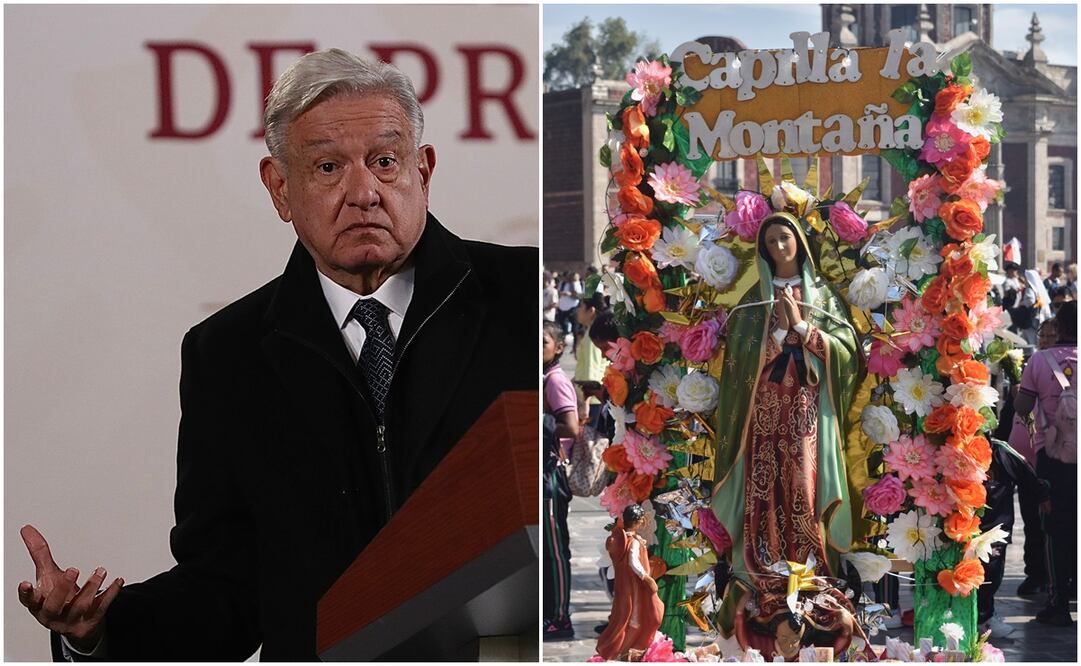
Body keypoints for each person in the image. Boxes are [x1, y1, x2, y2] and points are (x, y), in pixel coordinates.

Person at [16, 49, 536, 661]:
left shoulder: (522, 297)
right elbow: (226, 593)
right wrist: (98, 633)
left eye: (385, 162)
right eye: (327, 167)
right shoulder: (226, 355)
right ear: (279, 187)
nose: (364, 192)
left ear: (423, 170)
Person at [710, 212, 863, 658]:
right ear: (762, 247)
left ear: (800, 242)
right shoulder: (752, 301)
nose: (779, 247)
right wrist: (776, 332)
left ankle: (810, 571)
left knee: (803, 486)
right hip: (763, 415)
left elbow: (848, 353)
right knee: (764, 488)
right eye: (772, 240)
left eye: (786, 238)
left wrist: (803, 329)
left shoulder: (824, 297)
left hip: (805, 414)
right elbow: (738, 361)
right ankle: (765, 570)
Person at [1015, 300, 1077, 627]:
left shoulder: (1040, 360)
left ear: (1061, 327)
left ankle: (1058, 604)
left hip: (1052, 460)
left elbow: (1022, 405)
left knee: (1055, 529)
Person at [977, 438, 1050, 638]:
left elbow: (1025, 473)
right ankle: (976, 618)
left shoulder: (1000, 451)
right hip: (960, 525)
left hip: (994, 527)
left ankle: (984, 618)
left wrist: (1042, 495)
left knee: (991, 573)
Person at [543, 321, 579, 641]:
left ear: (558, 348)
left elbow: (571, 426)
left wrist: (539, 419)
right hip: (539, 472)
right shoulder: (542, 378)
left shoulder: (554, 380)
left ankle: (559, 618)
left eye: (543, 343)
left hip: (550, 477)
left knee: (555, 549)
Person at [595, 504, 664, 660]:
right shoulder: (632, 541)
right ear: (638, 521)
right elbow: (634, 562)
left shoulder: (623, 538)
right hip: (635, 587)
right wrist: (646, 578)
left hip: (626, 586)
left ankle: (625, 649)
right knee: (638, 616)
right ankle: (626, 650)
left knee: (627, 616)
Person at [573, 292, 611, 420]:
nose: (577, 311)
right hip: (593, 396)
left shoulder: (592, 337)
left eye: (580, 307)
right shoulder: (592, 332)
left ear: (591, 310)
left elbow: (591, 368)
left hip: (592, 398)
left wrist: (585, 403)